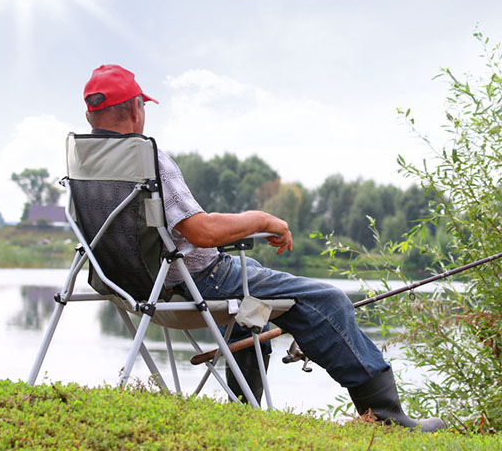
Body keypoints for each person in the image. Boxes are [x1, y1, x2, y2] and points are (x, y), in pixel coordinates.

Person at [81, 64, 444, 432]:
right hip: (194, 283)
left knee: (254, 294)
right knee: (327, 299)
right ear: (134, 109)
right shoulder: (147, 159)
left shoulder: (85, 165)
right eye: (143, 105)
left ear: (89, 115)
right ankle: (388, 417)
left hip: (131, 289)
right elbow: (202, 231)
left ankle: (243, 409)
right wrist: (263, 219)